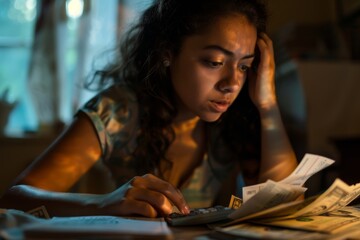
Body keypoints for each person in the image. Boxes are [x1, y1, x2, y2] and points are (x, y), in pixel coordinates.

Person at [0, 0, 298, 218]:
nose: (232, 83)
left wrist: (268, 104)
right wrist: (104, 203)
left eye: (244, 66)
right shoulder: (119, 111)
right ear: (168, 53)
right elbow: (14, 199)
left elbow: (284, 200)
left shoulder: (234, 117)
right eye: (214, 62)